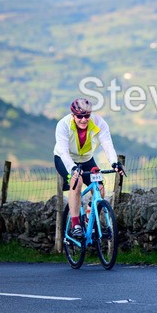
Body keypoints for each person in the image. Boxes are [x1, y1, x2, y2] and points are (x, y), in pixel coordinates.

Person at [53, 98, 124, 240]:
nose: (84, 120)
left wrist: (115, 163)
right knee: (77, 181)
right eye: (79, 116)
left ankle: (87, 217)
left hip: (86, 159)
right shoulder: (63, 125)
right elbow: (64, 152)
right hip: (65, 159)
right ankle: (75, 225)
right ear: (73, 115)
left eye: (87, 116)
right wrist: (73, 168)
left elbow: (107, 144)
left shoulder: (99, 123)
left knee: (100, 188)